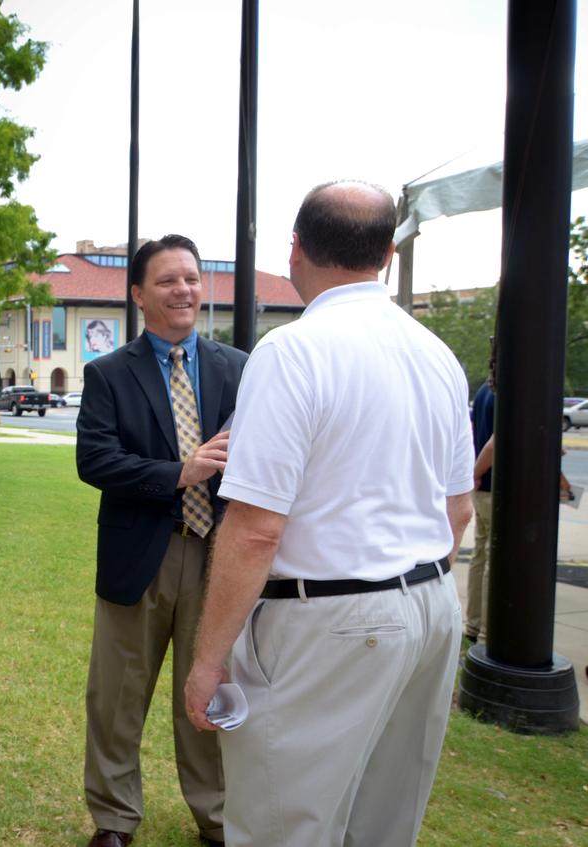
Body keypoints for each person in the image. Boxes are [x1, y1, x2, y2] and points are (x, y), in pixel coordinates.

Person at [184, 181, 474, 847]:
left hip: (329, 618)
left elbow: (256, 528)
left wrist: (208, 659)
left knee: (282, 824)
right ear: (387, 253)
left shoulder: (292, 351)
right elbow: (456, 509)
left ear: (295, 249)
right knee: (382, 821)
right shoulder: (436, 354)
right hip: (428, 604)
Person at [76, 235, 246, 847]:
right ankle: (114, 820)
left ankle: (219, 818)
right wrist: (180, 471)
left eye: (193, 279)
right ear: (139, 294)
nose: (184, 290)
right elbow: (95, 461)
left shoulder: (240, 368)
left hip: (221, 554)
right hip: (139, 554)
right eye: (169, 280)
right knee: (118, 696)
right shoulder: (107, 375)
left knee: (208, 687)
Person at [467, 376, 496, 643]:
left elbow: (473, 431)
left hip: (481, 489)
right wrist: (477, 472)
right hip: (494, 486)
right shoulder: (510, 392)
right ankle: (489, 632)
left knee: (479, 556)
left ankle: (473, 624)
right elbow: (493, 443)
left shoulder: (486, 390)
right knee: (494, 560)